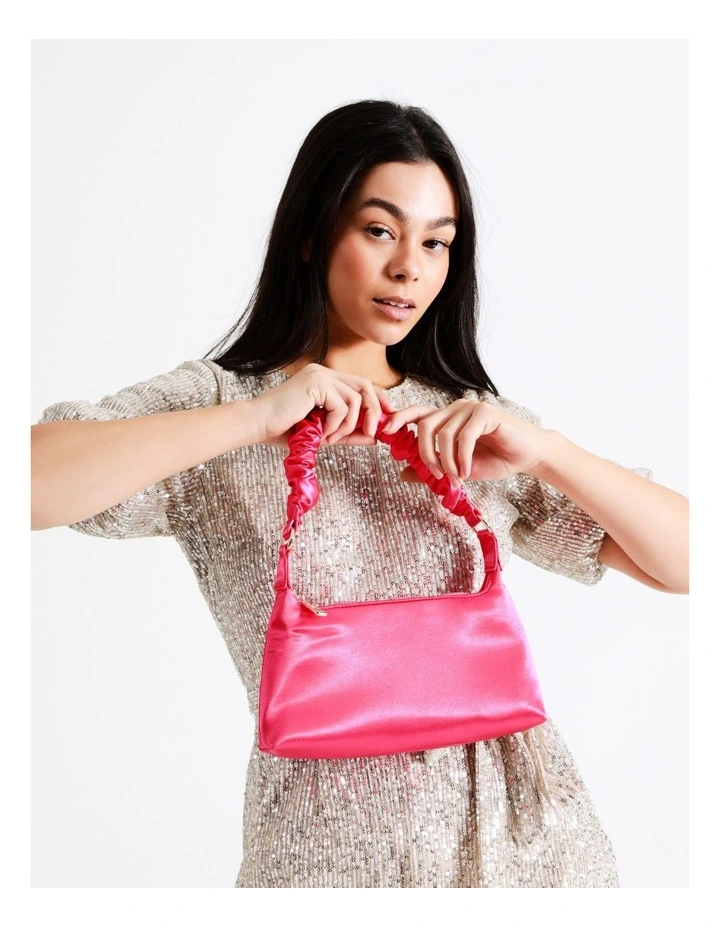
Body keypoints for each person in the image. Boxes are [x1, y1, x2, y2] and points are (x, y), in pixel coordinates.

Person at [31, 99, 689, 889]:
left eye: (436, 241)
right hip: (322, 866)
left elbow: (689, 563)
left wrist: (549, 454)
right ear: (312, 233)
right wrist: (256, 418)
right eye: (380, 230)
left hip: (534, 860)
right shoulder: (220, 407)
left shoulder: (469, 424)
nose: (410, 267)